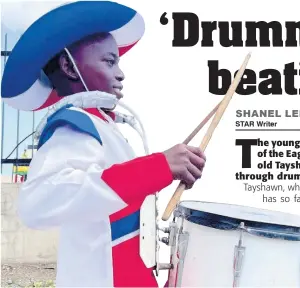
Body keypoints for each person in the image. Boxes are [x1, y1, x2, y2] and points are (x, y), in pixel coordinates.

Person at [1, 2, 206, 287]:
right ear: (68, 67)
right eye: (109, 61)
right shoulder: (75, 125)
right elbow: (38, 202)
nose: (120, 74)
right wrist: (159, 166)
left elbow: (120, 224)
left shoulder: (104, 127)